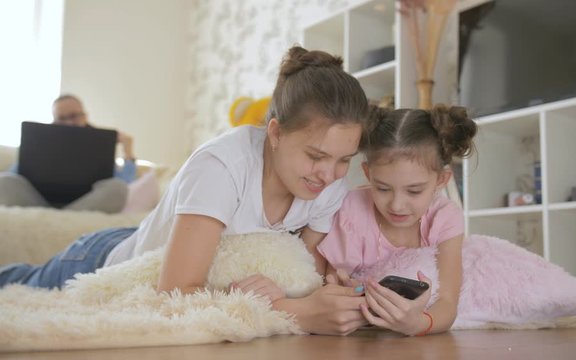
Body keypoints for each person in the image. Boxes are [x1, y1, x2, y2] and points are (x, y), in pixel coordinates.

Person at [0, 46, 372, 336]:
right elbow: (175, 294)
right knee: (18, 284)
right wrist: (294, 312)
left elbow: (302, 274)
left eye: (344, 160)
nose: (329, 175)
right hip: (103, 263)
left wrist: (333, 294)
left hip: (166, 242)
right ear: (275, 133)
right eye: (315, 156)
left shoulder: (332, 183)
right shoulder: (222, 167)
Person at [317, 105, 477, 336]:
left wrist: (419, 324)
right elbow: (331, 288)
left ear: (441, 179)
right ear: (367, 173)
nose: (396, 205)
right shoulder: (352, 210)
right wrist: (350, 294)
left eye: (414, 191)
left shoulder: (445, 217)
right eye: (382, 188)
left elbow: (448, 302)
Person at [0, 94, 137, 213]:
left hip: (87, 203)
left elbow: (125, 184)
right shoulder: (42, 142)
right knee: (4, 181)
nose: (69, 123)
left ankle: (56, 218)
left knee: (117, 189)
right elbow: (14, 176)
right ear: (54, 121)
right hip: (39, 201)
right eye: (62, 118)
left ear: (85, 116)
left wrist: (128, 153)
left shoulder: (99, 144)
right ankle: (59, 218)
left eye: (73, 116)